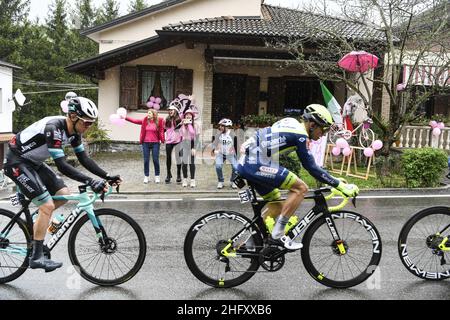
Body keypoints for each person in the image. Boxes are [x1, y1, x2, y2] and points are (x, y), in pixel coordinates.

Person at [4, 97, 122, 272]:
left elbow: (83, 158)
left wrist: (106, 176)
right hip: (17, 161)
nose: (88, 127)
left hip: (33, 162)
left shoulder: (74, 132)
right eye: (87, 123)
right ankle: (36, 257)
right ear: (73, 117)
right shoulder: (54, 128)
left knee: (63, 192)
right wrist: (90, 181)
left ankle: (36, 225)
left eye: (91, 124)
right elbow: (62, 166)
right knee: (47, 204)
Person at [237, 104, 359, 250]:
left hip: (248, 161)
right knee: (300, 188)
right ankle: (277, 235)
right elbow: (311, 168)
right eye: (323, 129)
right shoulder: (301, 135)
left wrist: (335, 181)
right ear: (313, 125)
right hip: (255, 163)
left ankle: (251, 243)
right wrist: (340, 186)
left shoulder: (292, 123)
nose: (323, 134)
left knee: (277, 205)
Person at [125, 108, 165, 184]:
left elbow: (165, 128)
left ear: (153, 114)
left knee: (155, 160)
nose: (148, 114)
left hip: (155, 143)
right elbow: (135, 121)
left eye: (150, 113)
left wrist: (163, 138)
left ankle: (157, 176)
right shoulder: (144, 121)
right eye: (148, 113)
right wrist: (125, 118)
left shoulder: (159, 121)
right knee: (146, 160)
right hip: (145, 143)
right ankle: (146, 176)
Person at [211, 118, 238, 189]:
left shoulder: (233, 135)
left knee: (235, 167)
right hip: (221, 153)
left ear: (227, 127)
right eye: (220, 126)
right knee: (218, 166)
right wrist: (213, 150)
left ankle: (233, 181)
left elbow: (236, 146)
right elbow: (214, 143)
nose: (220, 127)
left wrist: (236, 154)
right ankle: (221, 181)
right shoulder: (218, 135)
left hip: (230, 154)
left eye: (222, 126)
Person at [180, 108, 200, 188]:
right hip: (184, 144)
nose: (188, 116)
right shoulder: (182, 125)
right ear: (185, 116)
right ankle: (184, 179)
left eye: (190, 114)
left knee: (192, 163)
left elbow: (197, 137)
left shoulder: (196, 125)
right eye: (187, 115)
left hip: (192, 145)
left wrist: (194, 148)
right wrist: (183, 124)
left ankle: (192, 180)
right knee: (184, 163)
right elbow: (181, 136)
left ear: (192, 116)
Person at [165, 101, 183, 184]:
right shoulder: (167, 119)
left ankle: (179, 174)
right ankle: (168, 174)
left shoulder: (179, 119)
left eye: (171, 110)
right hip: (169, 141)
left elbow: (185, 109)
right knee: (168, 158)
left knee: (178, 158)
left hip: (178, 140)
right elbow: (164, 130)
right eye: (169, 110)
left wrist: (189, 101)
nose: (170, 111)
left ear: (175, 111)